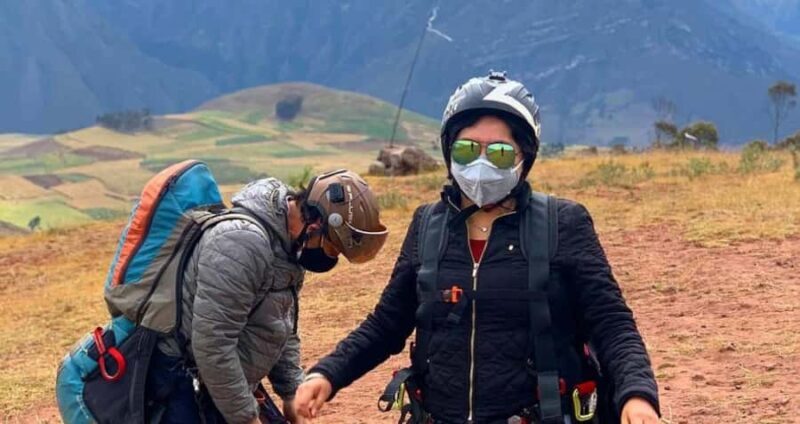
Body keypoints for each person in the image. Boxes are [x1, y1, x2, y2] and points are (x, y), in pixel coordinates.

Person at [294, 72, 660, 424]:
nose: (481, 163)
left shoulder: (563, 223)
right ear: (450, 150)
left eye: (499, 153)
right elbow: (387, 324)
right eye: (468, 149)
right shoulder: (427, 225)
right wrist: (327, 374)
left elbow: (611, 324)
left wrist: (637, 394)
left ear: (523, 156)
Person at [146, 169, 388, 424]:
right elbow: (213, 343)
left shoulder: (287, 244)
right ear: (316, 224)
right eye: (332, 247)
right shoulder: (241, 243)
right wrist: (246, 417)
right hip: (178, 380)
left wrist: (292, 393)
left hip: (221, 383)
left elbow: (278, 326)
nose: (331, 257)